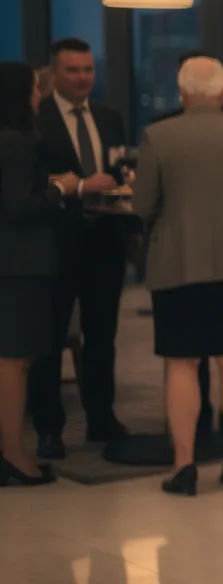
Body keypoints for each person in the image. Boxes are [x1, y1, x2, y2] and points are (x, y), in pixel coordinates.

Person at [132, 57, 223, 496]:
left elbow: (142, 204)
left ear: (182, 92)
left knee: (181, 363)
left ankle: (185, 465)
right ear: (222, 91)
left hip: (178, 264)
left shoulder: (159, 136)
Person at [29, 37, 128, 460]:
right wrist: (83, 186)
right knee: (49, 338)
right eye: (73, 70)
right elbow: (32, 184)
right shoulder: (37, 119)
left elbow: (120, 168)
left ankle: (101, 417)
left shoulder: (109, 117)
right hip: (54, 242)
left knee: (102, 335)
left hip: (105, 240)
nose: (83, 78)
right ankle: (49, 427)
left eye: (88, 69)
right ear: (54, 73)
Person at [0, 62, 79, 487]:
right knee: (15, 362)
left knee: (14, 360)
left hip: (13, 265)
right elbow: (19, 206)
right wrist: (60, 189)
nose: (37, 97)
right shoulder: (14, 143)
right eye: (33, 90)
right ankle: (15, 455)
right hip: (20, 266)